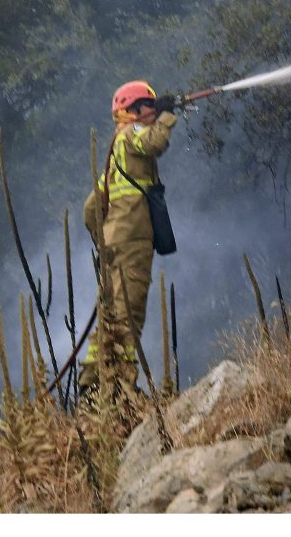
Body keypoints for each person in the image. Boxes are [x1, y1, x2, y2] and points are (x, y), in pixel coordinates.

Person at [79, 80, 178, 395]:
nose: (151, 110)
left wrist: (105, 242)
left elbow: (90, 208)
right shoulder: (132, 134)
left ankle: (91, 387)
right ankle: (120, 388)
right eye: (147, 105)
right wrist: (166, 115)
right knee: (128, 314)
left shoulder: (115, 154)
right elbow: (155, 142)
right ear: (133, 110)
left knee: (109, 315)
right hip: (133, 243)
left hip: (114, 245)